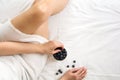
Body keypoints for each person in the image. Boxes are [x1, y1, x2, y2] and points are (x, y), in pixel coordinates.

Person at [0, 0, 87, 80]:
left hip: (2, 43)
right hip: (25, 67)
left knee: (41, 10)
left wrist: (41, 48)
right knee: (43, 9)